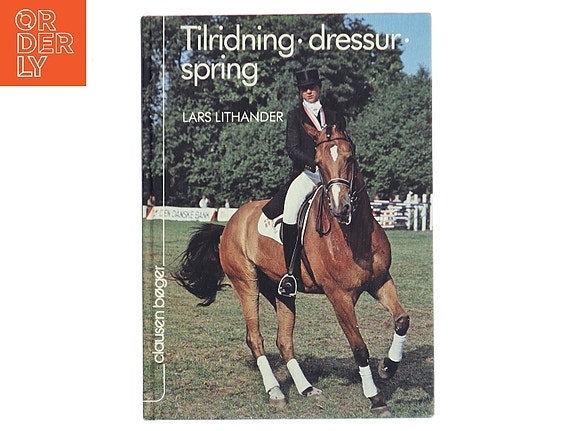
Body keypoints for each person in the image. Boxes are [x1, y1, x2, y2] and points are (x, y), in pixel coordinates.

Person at [278, 69, 347, 297]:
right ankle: (290, 274)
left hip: (334, 175)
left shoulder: (334, 115)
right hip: (308, 174)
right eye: (304, 89)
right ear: (300, 92)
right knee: (290, 212)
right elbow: (292, 149)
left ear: (320, 88)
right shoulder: (295, 116)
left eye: (312, 87)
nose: (309, 91)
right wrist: (315, 163)